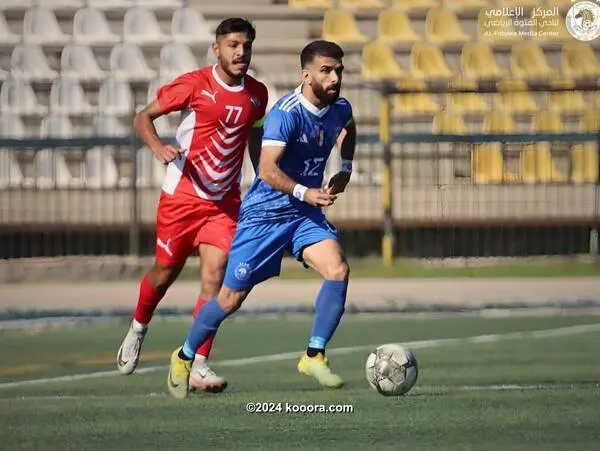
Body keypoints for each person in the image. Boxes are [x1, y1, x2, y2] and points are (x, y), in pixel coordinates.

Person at [166, 40, 356, 399]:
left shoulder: (339, 106)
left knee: (338, 269)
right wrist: (305, 191)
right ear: (306, 75)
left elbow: (348, 124)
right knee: (230, 299)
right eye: (326, 71)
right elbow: (267, 170)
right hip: (264, 215)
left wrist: (345, 167)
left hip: (303, 214)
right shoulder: (286, 113)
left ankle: (314, 354)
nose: (334, 78)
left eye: (339, 71)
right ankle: (185, 355)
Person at [116, 18, 268, 393]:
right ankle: (138, 328)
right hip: (182, 198)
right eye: (233, 45)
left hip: (224, 203)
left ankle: (196, 362)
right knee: (164, 274)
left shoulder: (258, 94)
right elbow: (143, 117)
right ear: (216, 49)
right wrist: (158, 148)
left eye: (246, 45)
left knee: (218, 279)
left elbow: (256, 136)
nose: (240, 52)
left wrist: (264, 177)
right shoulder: (194, 84)